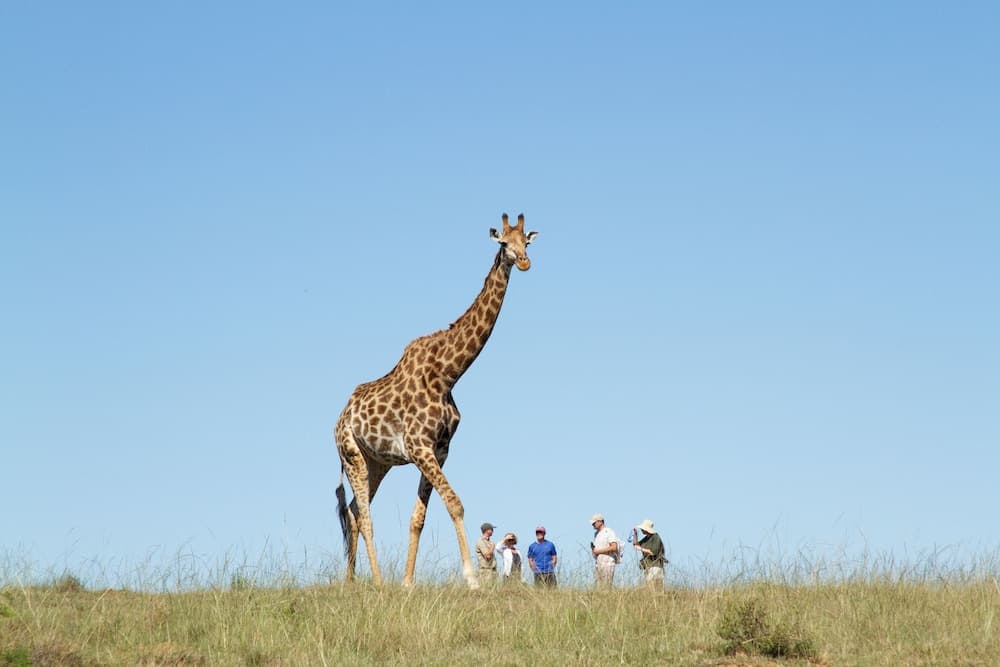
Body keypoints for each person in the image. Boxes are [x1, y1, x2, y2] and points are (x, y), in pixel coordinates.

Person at [632, 519, 667, 588]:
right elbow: (636, 544)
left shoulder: (655, 537)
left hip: (655, 565)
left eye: (643, 528)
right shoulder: (647, 537)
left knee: (651, 586)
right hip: (648, 566)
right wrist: (635, 534)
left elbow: (653, 552)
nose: (641, 530)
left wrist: (641, 549)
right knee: (651, 587)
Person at [590, 513, 620, 588]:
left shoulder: (609, 531)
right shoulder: (596, 534)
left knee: (606, 586)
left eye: (594, 523)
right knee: (598, 587)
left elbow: (614, 547)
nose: (593, 525)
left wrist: (598, 551)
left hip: (607, 563)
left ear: (600, 521)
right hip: (598, 563)